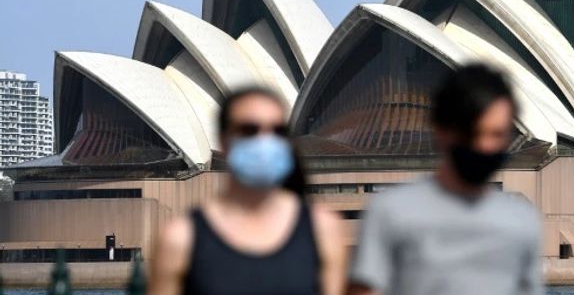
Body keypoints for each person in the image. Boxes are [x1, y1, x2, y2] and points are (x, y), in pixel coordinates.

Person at [348, 64, 544, 295]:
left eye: (496, 134)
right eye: (474, 133)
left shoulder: (522, 220)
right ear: (442, 130)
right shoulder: (391, 212)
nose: (484, 146)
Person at [149, 87, 346, 295]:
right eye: (249, 130)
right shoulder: (181, 239)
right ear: (223, 141)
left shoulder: (322, 230)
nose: (264, 142)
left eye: (277, 131)